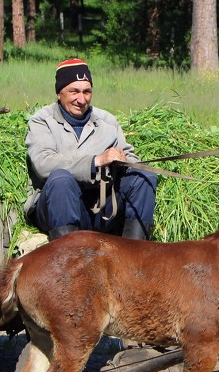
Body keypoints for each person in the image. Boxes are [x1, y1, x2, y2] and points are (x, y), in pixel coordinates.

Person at [24, 59, 157, 241]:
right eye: (74, 91)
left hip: (100, 209)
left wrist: (122, 162)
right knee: (61, 179)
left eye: (87, 91)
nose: (82, 99)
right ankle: (69, 256)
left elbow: (130, 157)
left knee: (144, 176)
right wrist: (95, 161)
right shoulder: (42, 121)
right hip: (57, 206)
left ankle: (134, 254)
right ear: (59, 93)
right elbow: (43, 164)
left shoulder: (107, 121)